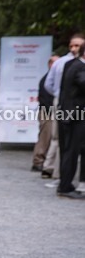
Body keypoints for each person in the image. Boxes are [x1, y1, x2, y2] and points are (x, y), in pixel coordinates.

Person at [42, 33, 85, 179]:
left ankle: (64, 176)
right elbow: (48, 84)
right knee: (61, 140)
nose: (74, 48)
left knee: (67, 141)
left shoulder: (70, 63)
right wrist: (60, 96)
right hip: (66, 104)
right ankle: (58, 174)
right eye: (72, 45)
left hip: (68, 104)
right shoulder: (63, 63)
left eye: (77, 45)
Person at [56, 40, 85, 198]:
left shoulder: (71, 64)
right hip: (75, 116)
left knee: (68, 150)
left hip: (67, 113)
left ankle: (65, 183)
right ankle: (65, 186)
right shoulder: (81, 67)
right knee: (71, 152)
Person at [31, 55, 59, 172]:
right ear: (49, 64)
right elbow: (46, 99)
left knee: (49, 138)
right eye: (54, 63)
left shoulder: (53, 79)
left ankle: (43, 161)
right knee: (45, 138)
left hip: (50, 111)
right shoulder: (47, 79)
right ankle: (38, 161)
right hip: (47, 112)